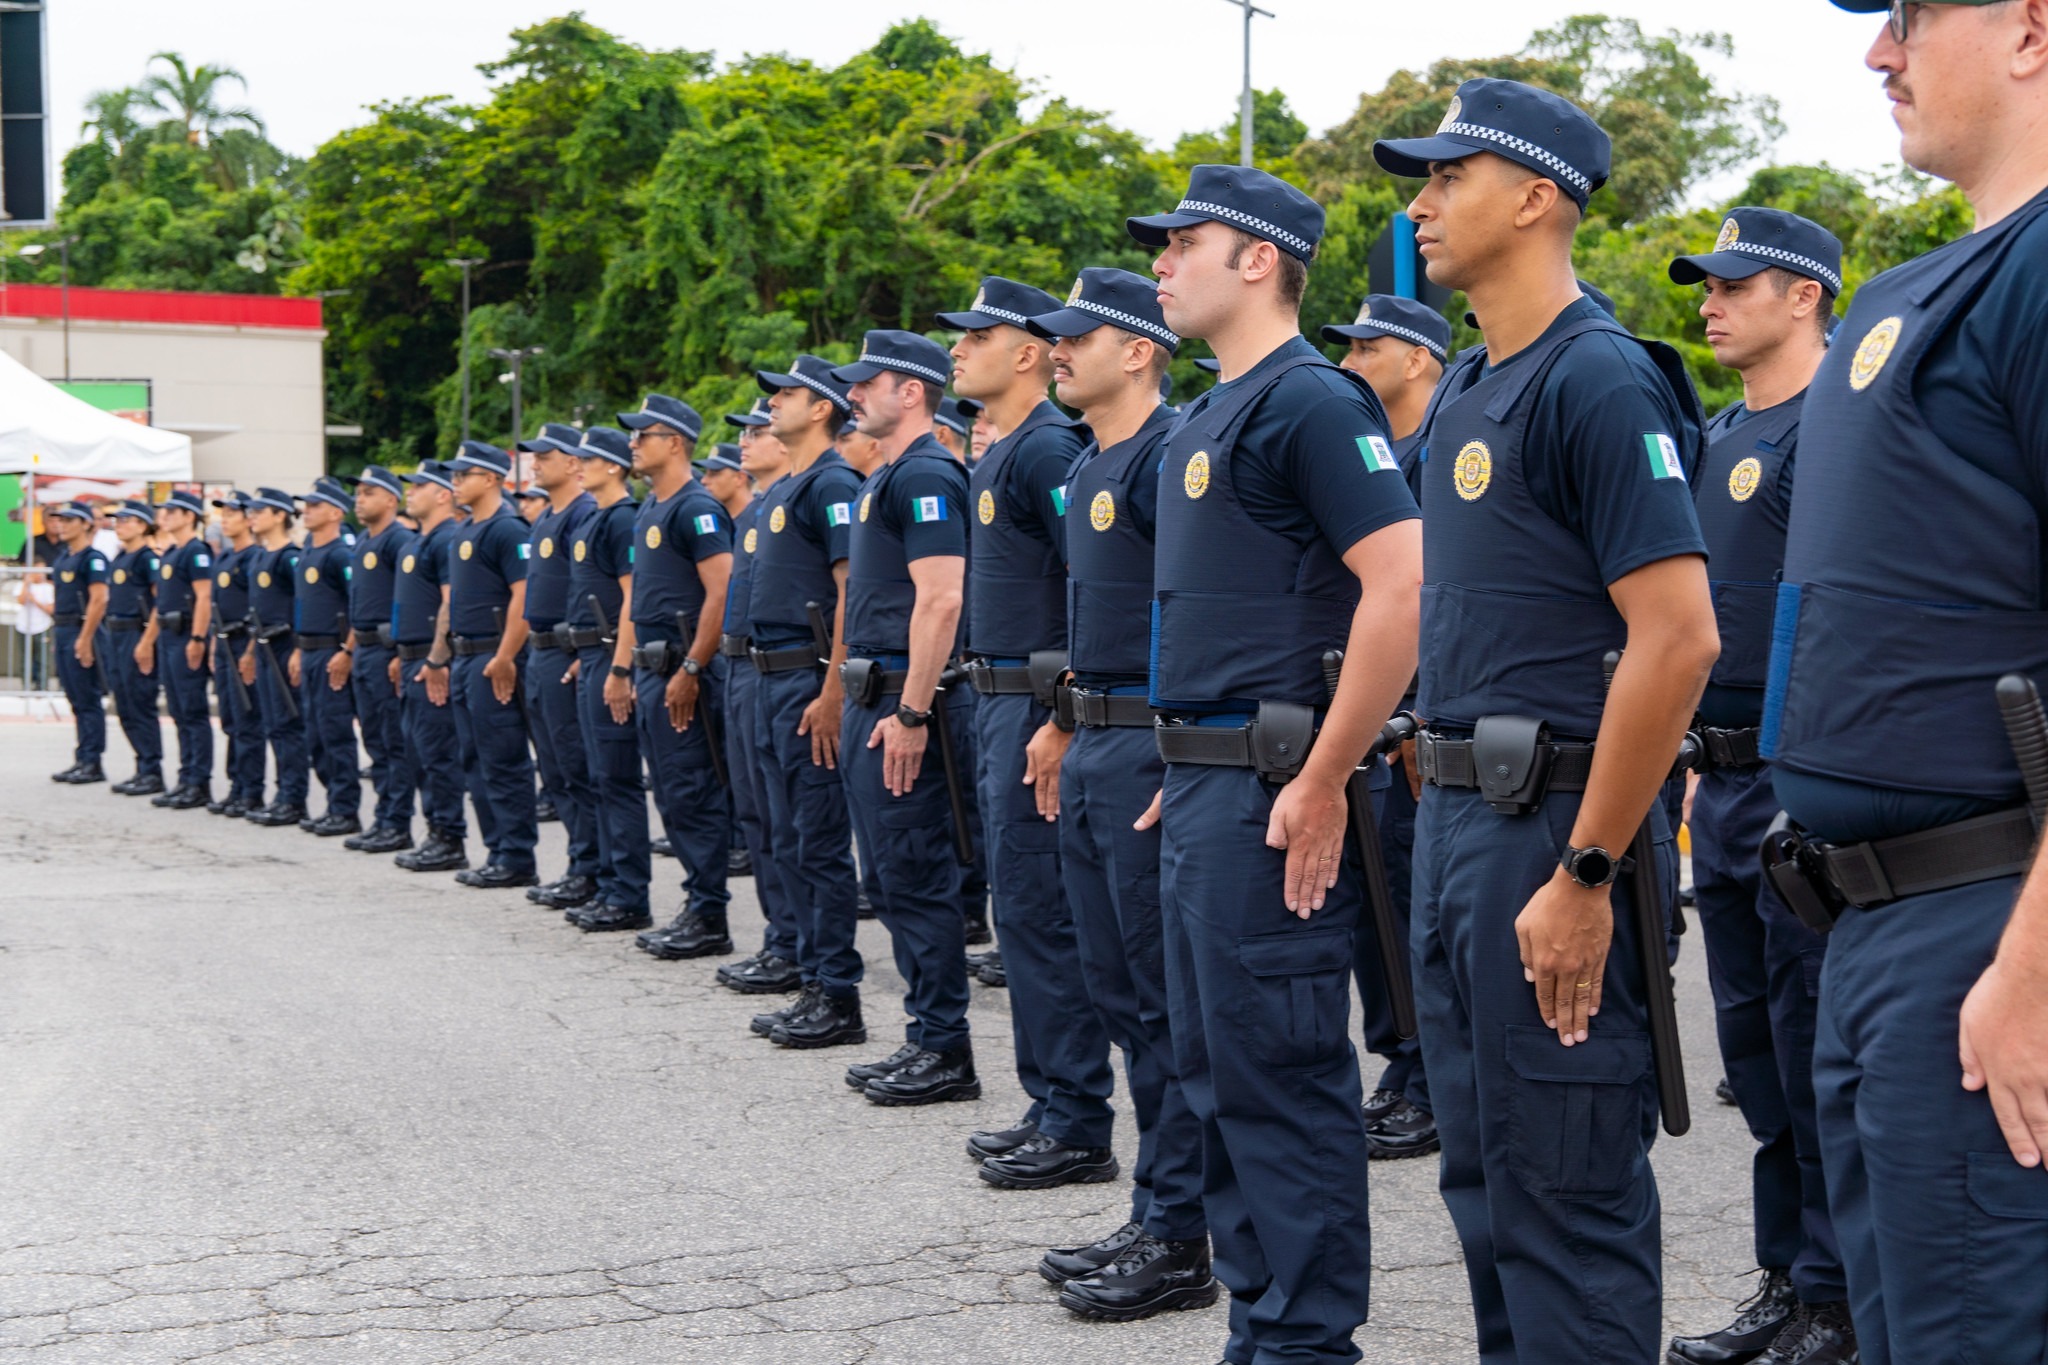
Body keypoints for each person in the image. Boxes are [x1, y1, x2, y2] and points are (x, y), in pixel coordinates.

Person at [1373, 81, 1717, 1361]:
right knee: (1485, 1181)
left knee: (1564, 1190)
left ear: (1533, 198)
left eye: (1444, 178)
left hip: (1555, 833)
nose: (1419, 204)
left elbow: (1677, 637)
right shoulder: (1467, 383)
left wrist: (1586, 866)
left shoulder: (1596, 376)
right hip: (1462, 826)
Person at [1766, 6, 2048, 1362]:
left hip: (1993, 918)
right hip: (1875, 923)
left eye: (1915, 14)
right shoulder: (1912, 290)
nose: (1881, 52)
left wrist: (2036, 966)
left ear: (2031, 31)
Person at [1125, 163, 1422, 1363]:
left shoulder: (1308, 400)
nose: (1159, 262)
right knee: (1211, 1076)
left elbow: (1398, 583)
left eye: (1180, 242)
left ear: (1256, 258)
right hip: (1203, 786)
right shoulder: (1205, 412)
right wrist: (1182, 762)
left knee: (1281, 1085)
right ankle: (1262, 1333)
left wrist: (1317, 774)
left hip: (1269, 790)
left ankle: (1304, 1345)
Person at [1659, 208, 1850, 1365]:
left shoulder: (1839, 428)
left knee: (1817, 1044)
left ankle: (1837, 1299)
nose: (1707, 303)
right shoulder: (1724, 429)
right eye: (1706, 285)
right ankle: (1787, 1277)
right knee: (1756, 1060)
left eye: (1732, 285)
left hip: (1801, 786)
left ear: (1802, 294)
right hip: (1720, 783)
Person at [1013, 267, 1215, 1316]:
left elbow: (1194, 615)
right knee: (1123, 997)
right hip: (1093, 743)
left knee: (1166, 1004)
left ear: (1136, 349)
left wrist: (1179, 752)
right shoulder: (1096, 460)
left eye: (1075, 338)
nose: (1056, 351)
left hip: (1146, 751)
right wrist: (1058, 724)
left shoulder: (1167, 458)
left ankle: (1182, 1235)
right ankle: (1155, 1207)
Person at [942, 275, 1121, 1187]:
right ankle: (1052, 1099)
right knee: (1019, 908)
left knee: (1042, 913)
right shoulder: (1004, 451)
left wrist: (1060, 713)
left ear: (1024, 354)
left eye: (976, 336)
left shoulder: (1050, 449)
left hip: (1035, 700)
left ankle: (1078, 1117)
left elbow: (1088, 581)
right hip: (997, 695)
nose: (956, 348)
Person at [830, 330, 982, 1105]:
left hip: (903, 698)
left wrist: (914, 711)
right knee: (890, 877)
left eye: (868, 382)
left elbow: (943, 596)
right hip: (875, 694)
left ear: (912, 390)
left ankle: (945, 1048)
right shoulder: (886, 474)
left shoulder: (925, 472)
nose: (852, 394)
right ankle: (926, 1033)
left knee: (916, 875)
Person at [1322, 293, 1452, 1162]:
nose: (1348, 364)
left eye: (1367, 349)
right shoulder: (1378, 452)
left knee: (1413, 904)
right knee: (1378, 902)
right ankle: (1399, 1064)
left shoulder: (1443, 448)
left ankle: (1426, 1076)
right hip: (1375, 715)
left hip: (1425, 720)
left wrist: (1420, 712)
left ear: (1417, 360)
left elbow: (1438, 596)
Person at [744, 354, 869, 1042]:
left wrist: (831, 692)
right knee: (786, 836)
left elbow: (852, 592)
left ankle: (837, 995)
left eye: (785, 394)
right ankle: (809, 974)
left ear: (822, 406)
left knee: (817, 842)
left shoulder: (832, 485)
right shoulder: (782, 489)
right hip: (768, 678)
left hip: (806, 677)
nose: (771, 404)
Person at [689, 402, 799, 983]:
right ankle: (780, 939)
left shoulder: (813, 492)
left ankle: (801, 949)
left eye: (758, 431)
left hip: (785, 672)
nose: (746, 442)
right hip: (745, 670)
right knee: (756, 818)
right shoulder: (757, 508)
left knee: (790, 823)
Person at [621, 394, 736, 946]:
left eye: (642, 435)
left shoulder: (697, 507)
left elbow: (722, 590)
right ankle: (697, 900)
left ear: (673, 442)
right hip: (651, 670)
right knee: (669, 791)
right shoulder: (650, 508)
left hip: (682, 671)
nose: (633, 444)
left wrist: (693, 666)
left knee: (693, 791)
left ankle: (709, 912)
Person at [438, 440, 541, 890]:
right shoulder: (465, 531)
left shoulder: (508, 529)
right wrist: (439, 658)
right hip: (464, 657)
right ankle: (497, 849)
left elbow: (524, 595)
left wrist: (504, 656)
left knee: (503, 759)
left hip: (492, 657)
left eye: (464, 474)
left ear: (493, 479)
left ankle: (517, 855)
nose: (455, 482)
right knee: (474, 759)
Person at [562, 427, 650, 930]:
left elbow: (632, 600)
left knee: (617, 779)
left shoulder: (621, 520)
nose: (578, 464)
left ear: (613, 466)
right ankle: (608, 883)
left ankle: (629, 895)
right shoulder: (594, 519)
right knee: (597, 776)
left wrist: (620, 666)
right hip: (591, 656)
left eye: (588, 458)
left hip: (612, 659)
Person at [516, 423, 603, 912]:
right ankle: (579, 864)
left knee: (576, 765)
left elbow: (589, 588)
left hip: (567, 651)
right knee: (557, 768)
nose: (535, 463)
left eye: (545, 456)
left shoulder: (583, 514)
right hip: (540, 650)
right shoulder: (549, 516)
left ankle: (591, 869)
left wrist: (578, 653)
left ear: (574, 462)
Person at [391, 461, 474, 873]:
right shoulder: (417, 542)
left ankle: (448, 836)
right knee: (419, 751)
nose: (411, 491)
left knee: (439, 752)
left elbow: (450, 601)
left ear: (443, 494)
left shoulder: (446, 539)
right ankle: (435, 830)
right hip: (411, 660)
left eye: (419, 485)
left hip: (431, 660)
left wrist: (438, 658)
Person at [340, 467, 418, 853]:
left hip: (387, 650)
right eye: (358, 493)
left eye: (368, 493)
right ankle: (384, 817)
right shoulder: (362, 543)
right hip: (364, 649)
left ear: (391, 500)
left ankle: (398, 822)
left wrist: (398, 652)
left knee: (393, 740)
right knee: (374, 739)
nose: (359, 499)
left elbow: (409, 600)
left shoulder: (398, 540)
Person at [291, 478, 363, 837]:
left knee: (335, 733)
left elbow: (357, 605)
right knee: (315, 734)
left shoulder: (339, 553)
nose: (307, 510)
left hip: (332, 652)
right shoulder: (308, 548)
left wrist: (347, 651)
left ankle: (345, 808)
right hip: (308, 650)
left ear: (336, 512)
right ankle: (334, 803)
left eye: (315, 505)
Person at [238, 489, 312, 828]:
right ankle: (282, 795)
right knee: (272, 724)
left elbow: (302, 603)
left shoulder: (290, 557)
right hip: (264, 645)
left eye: (259, 511)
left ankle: (293, 798)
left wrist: (298, 647)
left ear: (280, 514)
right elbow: (257, 612)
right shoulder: (258, 557)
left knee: (288, 723)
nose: (252, 516)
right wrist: (251, 651)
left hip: (284, 644)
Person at [149, 488, 217, 809]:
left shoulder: (196, 551)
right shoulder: (171, 552)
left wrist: (198, 638)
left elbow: (204, 596)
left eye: (173, 511)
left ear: (190, 515)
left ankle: (198, 782)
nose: (166, 516)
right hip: (167, 635)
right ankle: (186, 776)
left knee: (192, 710)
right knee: (177, 710)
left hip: (185, 634)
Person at [206, 494, 266, 817]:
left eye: (232, 514)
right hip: (224, 642)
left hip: (245, 642)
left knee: (248, 720)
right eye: (223, 514)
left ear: (248, 519)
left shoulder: (254, 557)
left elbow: (257, 607)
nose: (225, 520)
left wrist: (251, 650)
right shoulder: (225, 557)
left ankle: (252, 790)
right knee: (230, 719)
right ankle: (236, 785)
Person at [46, 501, 111, 785]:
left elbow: (99, 599)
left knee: (87, 699)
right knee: (75, 698)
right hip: (63, 629)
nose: (63, 524)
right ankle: (82, 756)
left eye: (71, 520)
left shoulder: (92, 558)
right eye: (62, 519)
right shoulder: (63, 558)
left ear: (87, 524)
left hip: (80, 629)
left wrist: (85, 639)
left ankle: (92, 761)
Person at [104, 500, 165, 797]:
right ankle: (142, 766)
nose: (119, 524)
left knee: (140, 704)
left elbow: (159, 604)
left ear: (143, 525)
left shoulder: (147, 559)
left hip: (135, 634)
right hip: (116, 635)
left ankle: (152, 771)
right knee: (125, 706)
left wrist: (146, 642)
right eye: (117, 520)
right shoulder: (120, 557)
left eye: (126, 519)